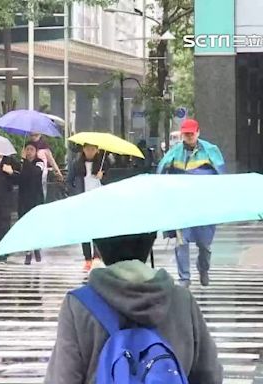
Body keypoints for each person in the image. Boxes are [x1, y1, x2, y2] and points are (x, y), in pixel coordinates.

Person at [45, 232, 223, 384]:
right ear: (151, 239)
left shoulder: (78, 306)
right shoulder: (182, 301)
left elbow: (63, 377)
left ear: (98, 245)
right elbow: (210, 375)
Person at [157, 119, 226, 287]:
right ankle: (184, 278)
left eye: (191, 133)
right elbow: (160, 171)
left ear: (198, 132)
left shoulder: (211, 151)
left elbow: (222, 177)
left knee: (205, 244)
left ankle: (203, 268)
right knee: (182, 242)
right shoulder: (174, 153)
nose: (188, 136)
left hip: (204, 206)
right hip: (182, 206)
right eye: (185, 134)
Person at [67, 144, 108, 272]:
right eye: (87, 149)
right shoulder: (76, 164)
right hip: (83, 200)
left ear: (97, 150)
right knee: (84, 231)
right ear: (83, 150)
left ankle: (97, 256)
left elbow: (110, 182)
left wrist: (103, 177)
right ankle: (87, 259)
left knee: (97, 230)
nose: (90, 151)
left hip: (99, 201)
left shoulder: (103, 163)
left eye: (93, 149)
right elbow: (69, 181)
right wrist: (75, 193)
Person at [18, 142, 45, 265]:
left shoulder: (40, 162)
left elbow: (35, 172)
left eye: (31, 149)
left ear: (36, 151)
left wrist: (25, 161)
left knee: (35, 225)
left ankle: (37, 247)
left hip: (36, 198)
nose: (29, 152)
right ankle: (28, 252)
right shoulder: (21, 163)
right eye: (27, 149)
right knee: (25, 225)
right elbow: (19, 178)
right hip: (23, 198)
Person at [29, 133, 64, 201]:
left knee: (42, 194)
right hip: (31, 174)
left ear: (40, 135)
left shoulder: (44, 147)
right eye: (31, 135)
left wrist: (58, 172)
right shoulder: (28, 146)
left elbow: (51, 160)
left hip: (42, 175)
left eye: (36, 135)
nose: (33, 137)